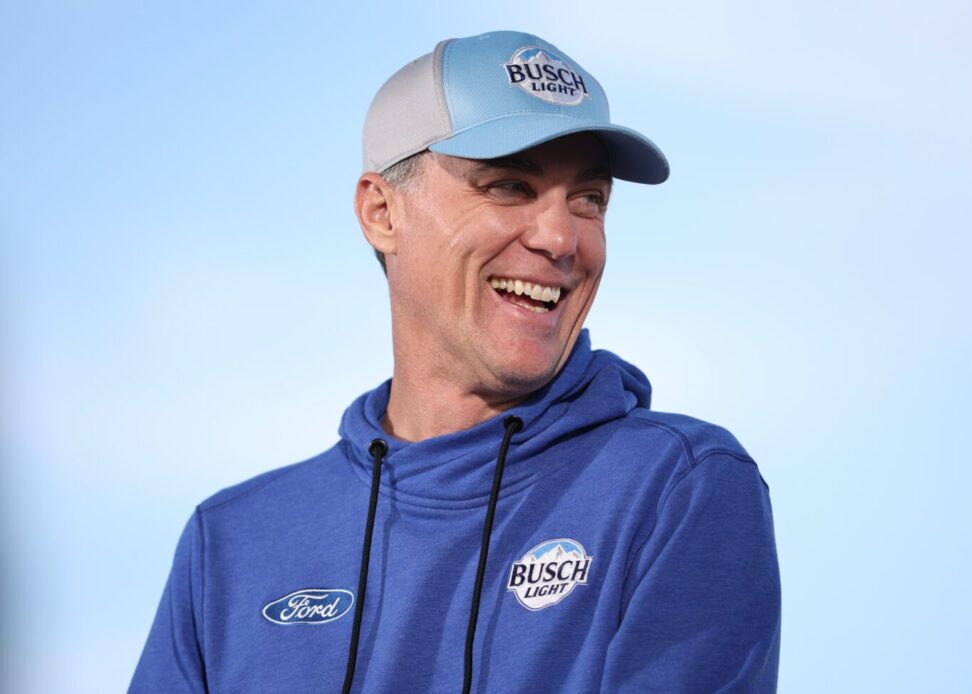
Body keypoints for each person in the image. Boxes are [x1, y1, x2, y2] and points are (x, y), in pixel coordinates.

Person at [130, 30, 780, 693]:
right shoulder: (233, 544)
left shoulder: (677, 486)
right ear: (381, 212)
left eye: (589, 199)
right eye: (508, 185)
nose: (560, 237)